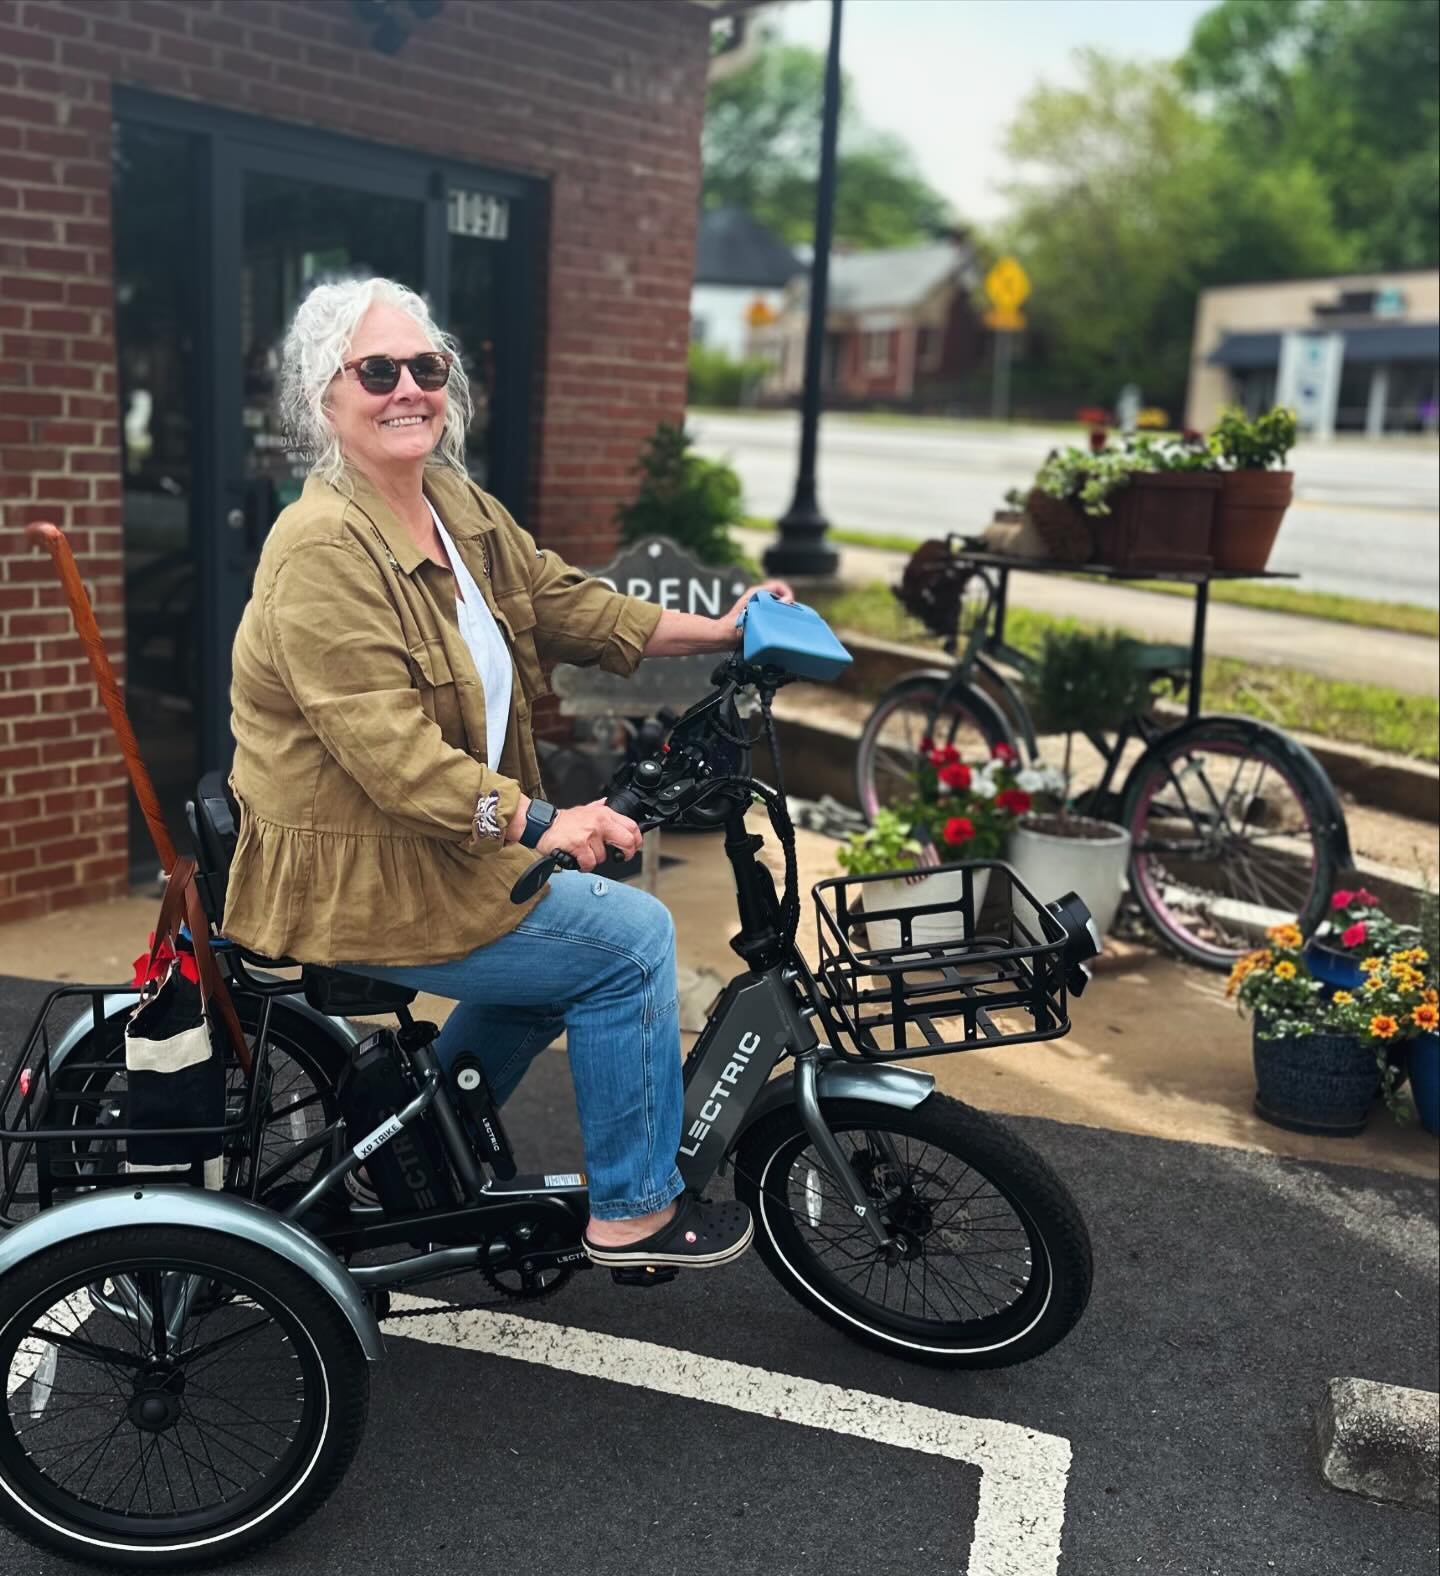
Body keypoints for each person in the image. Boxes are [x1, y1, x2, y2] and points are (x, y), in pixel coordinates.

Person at [225, 276, 791, 1270]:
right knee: (628, 941)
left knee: (564, 945)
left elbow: (563, 601)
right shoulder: (319, 546)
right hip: (365, 870)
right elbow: (391, 751)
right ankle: (632, 1210)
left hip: (438, 847)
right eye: (378, 370)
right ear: (326, 395)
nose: (409, 389)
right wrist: (539, 820)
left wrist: (722, 629)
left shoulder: (445, 498)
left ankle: (407, 1145)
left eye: (426, 367)